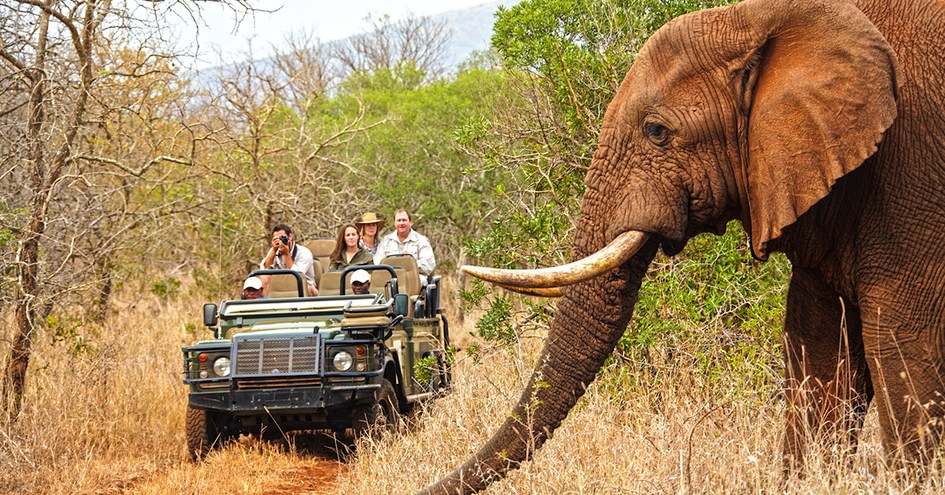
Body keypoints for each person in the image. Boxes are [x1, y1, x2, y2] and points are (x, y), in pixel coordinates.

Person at [374, 209, 435, 284]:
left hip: (414, 277)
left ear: (410, 222)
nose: (401, 223)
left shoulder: (421, 241)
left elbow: (429, 264)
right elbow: (378, 263)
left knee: (414, 281)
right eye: (399, 220)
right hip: (390, 278)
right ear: (394, 223)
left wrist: (410, 263)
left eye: (404, 220)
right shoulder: (385, 241)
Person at [259, 224, 318, 296]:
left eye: (282, 238)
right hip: (281, 286)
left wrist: (286, 254)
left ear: (290, 236)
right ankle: (266, 305)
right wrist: (274, 251)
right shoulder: (274, 250)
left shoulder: (304, 252)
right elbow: (264, 268)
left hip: (303, 286)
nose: (280, 241)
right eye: (277, 239)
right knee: (264, 277)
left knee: (310, 289)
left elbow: (298, 275)